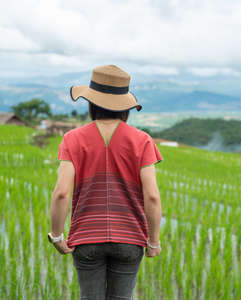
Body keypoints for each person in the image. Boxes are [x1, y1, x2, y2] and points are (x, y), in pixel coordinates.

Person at [48, 65, 163, 299]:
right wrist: (153, 241)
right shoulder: (142, 140)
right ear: (125, 107)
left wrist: (57, 236)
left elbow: (61, 193)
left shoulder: (72, 139)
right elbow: (151, 196)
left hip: (86, 237)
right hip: (130, 239)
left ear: (91, 103)